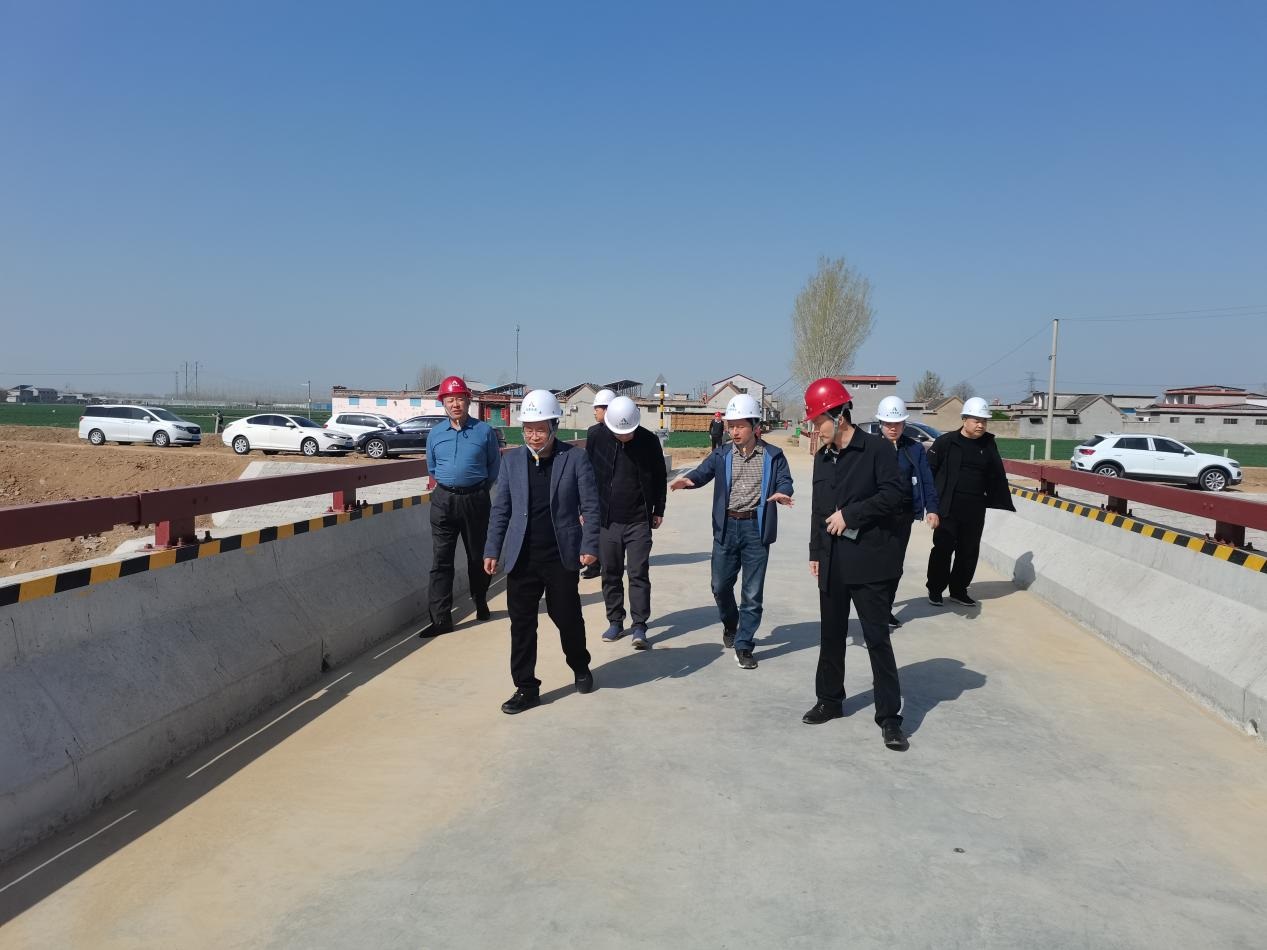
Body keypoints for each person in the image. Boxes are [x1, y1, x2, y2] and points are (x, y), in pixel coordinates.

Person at [800, 378, 909, 751]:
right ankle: (829, 700)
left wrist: (851, 515)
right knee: (831, 636)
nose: (816, 429)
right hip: (832, 562)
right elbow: (818, 510)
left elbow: (894, 495)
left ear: (839, 416)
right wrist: (815, 552)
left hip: (869, 562)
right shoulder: (822, 457)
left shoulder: (877, 450)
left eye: (819, 422)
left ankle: (890, 718)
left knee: (877, 639)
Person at [484, 390, 600, 714]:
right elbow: (501, 510)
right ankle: (526, 687)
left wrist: (590, 545)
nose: (534, 436)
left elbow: (591, 506)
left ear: (553, 427)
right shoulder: (511, 462)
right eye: (528, 429)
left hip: (560, 555)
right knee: (521, 624)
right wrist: (492, 548)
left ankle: (580, 664)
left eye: (540, 429)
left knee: (567, 617)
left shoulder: (574, 459)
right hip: (522, 557)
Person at [669, 394, 793, 670]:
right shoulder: (722, 454)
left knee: (752, 593)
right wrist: (687, 481)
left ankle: (744, 645)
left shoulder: (773, 456)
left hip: (756, 530)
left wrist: (783, 492)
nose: (734, 431)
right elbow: (702, 473)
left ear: (755, 426)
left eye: (740, 426)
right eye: (731, 426)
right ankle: (731, 624)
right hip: (726, 527)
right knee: (720, 585)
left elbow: (785, 480)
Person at [423, 375, 502, 635]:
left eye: (460, 399)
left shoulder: (484, 432)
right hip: (443, 500)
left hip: (475, 500)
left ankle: (480, 600)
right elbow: (432, 466)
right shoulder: (435, 434)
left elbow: (494, 467)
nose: (455, 404)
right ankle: (440, 619)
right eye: (450, 400)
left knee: (477, 556)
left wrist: (475, 489)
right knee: (441, 560)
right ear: (443, 403)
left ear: (468, 401)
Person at [586, 395, 667, 650]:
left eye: (628, 432)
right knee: (610, 572)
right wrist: (585, 509)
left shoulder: (648, 441)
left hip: (638, 520)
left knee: (638, 572)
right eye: (619, 433)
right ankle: (615, 621)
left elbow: (659, 476)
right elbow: (586, 474)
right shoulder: (596, 437)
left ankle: (640, 625)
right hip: (606, 520)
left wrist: (659, 509)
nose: (624, 437)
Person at [925, 396, 1015, 608]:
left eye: (984, 421)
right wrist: (931, 505)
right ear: (964, 419)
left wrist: (998, 498)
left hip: (974, 508)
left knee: (968, 551)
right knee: (942, 549)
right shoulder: (946, 442)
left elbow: (996, 474)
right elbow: (929, 472)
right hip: (948, 507)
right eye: (976, 420)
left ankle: (958, 590)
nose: (981, 425)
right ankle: (935, 590)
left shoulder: (988, 444)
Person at [874, 396, 940, 627]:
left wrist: (932, 509)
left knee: (895, 565)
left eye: (898, 424)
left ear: (904, 424)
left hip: (903, 515)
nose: (893, 428)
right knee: (875, 564)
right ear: (880, 423)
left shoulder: (914, 448)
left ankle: (885, 609)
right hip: (875, 515)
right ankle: (873, 610)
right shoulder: (870, 447)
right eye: (888, 424)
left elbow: (927, 479)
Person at [581, 388, 618, 578]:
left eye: (597, 409)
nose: (595, 412)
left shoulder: (621, 431)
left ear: (607, 409)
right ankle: (594, 565)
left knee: (611, 527)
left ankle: (610, 562)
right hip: (596, 487)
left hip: (615, 488)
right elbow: (588, 460)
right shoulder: (593, 432)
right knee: (594, 525)